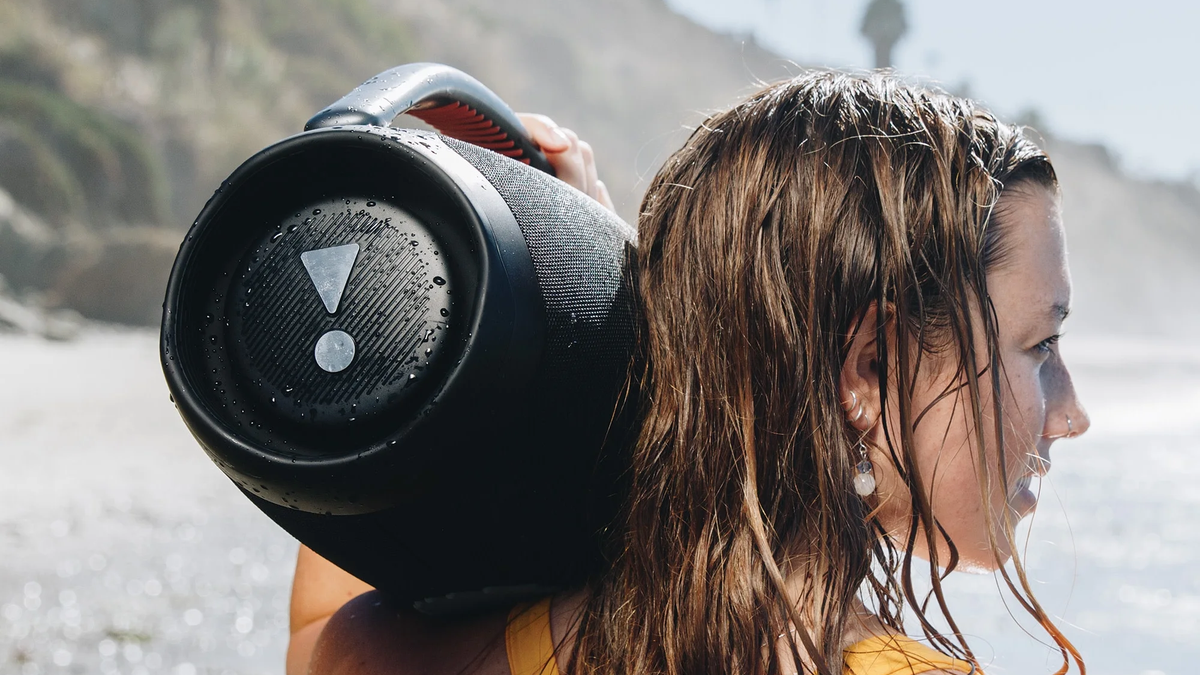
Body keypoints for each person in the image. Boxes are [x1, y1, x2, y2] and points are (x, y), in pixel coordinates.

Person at [285, 71, 1090, 675]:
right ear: (869, 368)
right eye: (1040, 346)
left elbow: (323, 631)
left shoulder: (465, 649)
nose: (1072, 412)